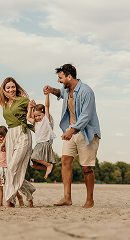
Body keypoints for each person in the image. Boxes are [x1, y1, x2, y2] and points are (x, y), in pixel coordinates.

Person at [43, 63, 101, 208]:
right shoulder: (68, 89)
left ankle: (90, 200)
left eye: (60, 78)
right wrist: (51, 90)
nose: (59, 80)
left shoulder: (86, 92)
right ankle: (67, 198)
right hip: (72, 130)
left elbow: (86, 116)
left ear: (69, 76)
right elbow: (60, 93)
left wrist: (71, 130)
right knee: (65, 161)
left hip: (86, 132)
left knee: (86, 167)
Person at [0, 77, 36, 208]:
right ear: (3, 90)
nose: (11, 90)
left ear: (16, 88)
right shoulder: (3, 104)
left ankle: (10, 200)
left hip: (23, 134)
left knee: (13, 168)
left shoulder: (24, 100)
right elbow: (9, 124)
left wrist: (31, 107)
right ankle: (29, 192)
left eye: (13, 87)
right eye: (8, 88)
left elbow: (32, 117)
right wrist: (3, 143)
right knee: (12, 170)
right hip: (11, 136)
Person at [26, 93, 57, 179]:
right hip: (39, 145)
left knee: (33, 157)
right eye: (35, 116)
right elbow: (28, 118)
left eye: (39, 115)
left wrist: (47, 95)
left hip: (44, 144)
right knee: (32, 165)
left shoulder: (46, 120)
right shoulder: (36, 123)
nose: (37, 117)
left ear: (43, 113)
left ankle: (48, 165)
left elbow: (47, 106)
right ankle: (47, 167)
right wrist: (30, 107)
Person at [0, 126, 24, 206]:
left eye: (1, 136)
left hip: (8, 167)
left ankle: (19, 197)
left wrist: (5, 140)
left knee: (10, 185)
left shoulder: (9, 145)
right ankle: (0, 202)